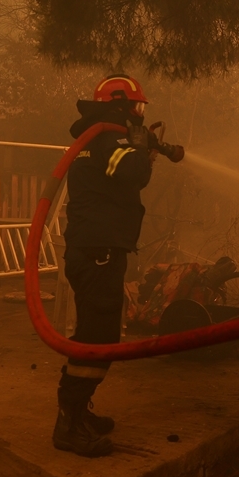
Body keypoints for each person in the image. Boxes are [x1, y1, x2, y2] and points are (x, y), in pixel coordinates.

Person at [52, 74, 160, 457]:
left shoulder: (96, 138)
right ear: (120, 104)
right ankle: (69, 424)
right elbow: (133, 173)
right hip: (98, 253)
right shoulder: (108, 138)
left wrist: (141, 145)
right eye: (137, 106)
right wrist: (142, 147)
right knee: (97, 340)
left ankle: (78, 411)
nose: (140, 114)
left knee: (93, 335)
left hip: (94, 251)